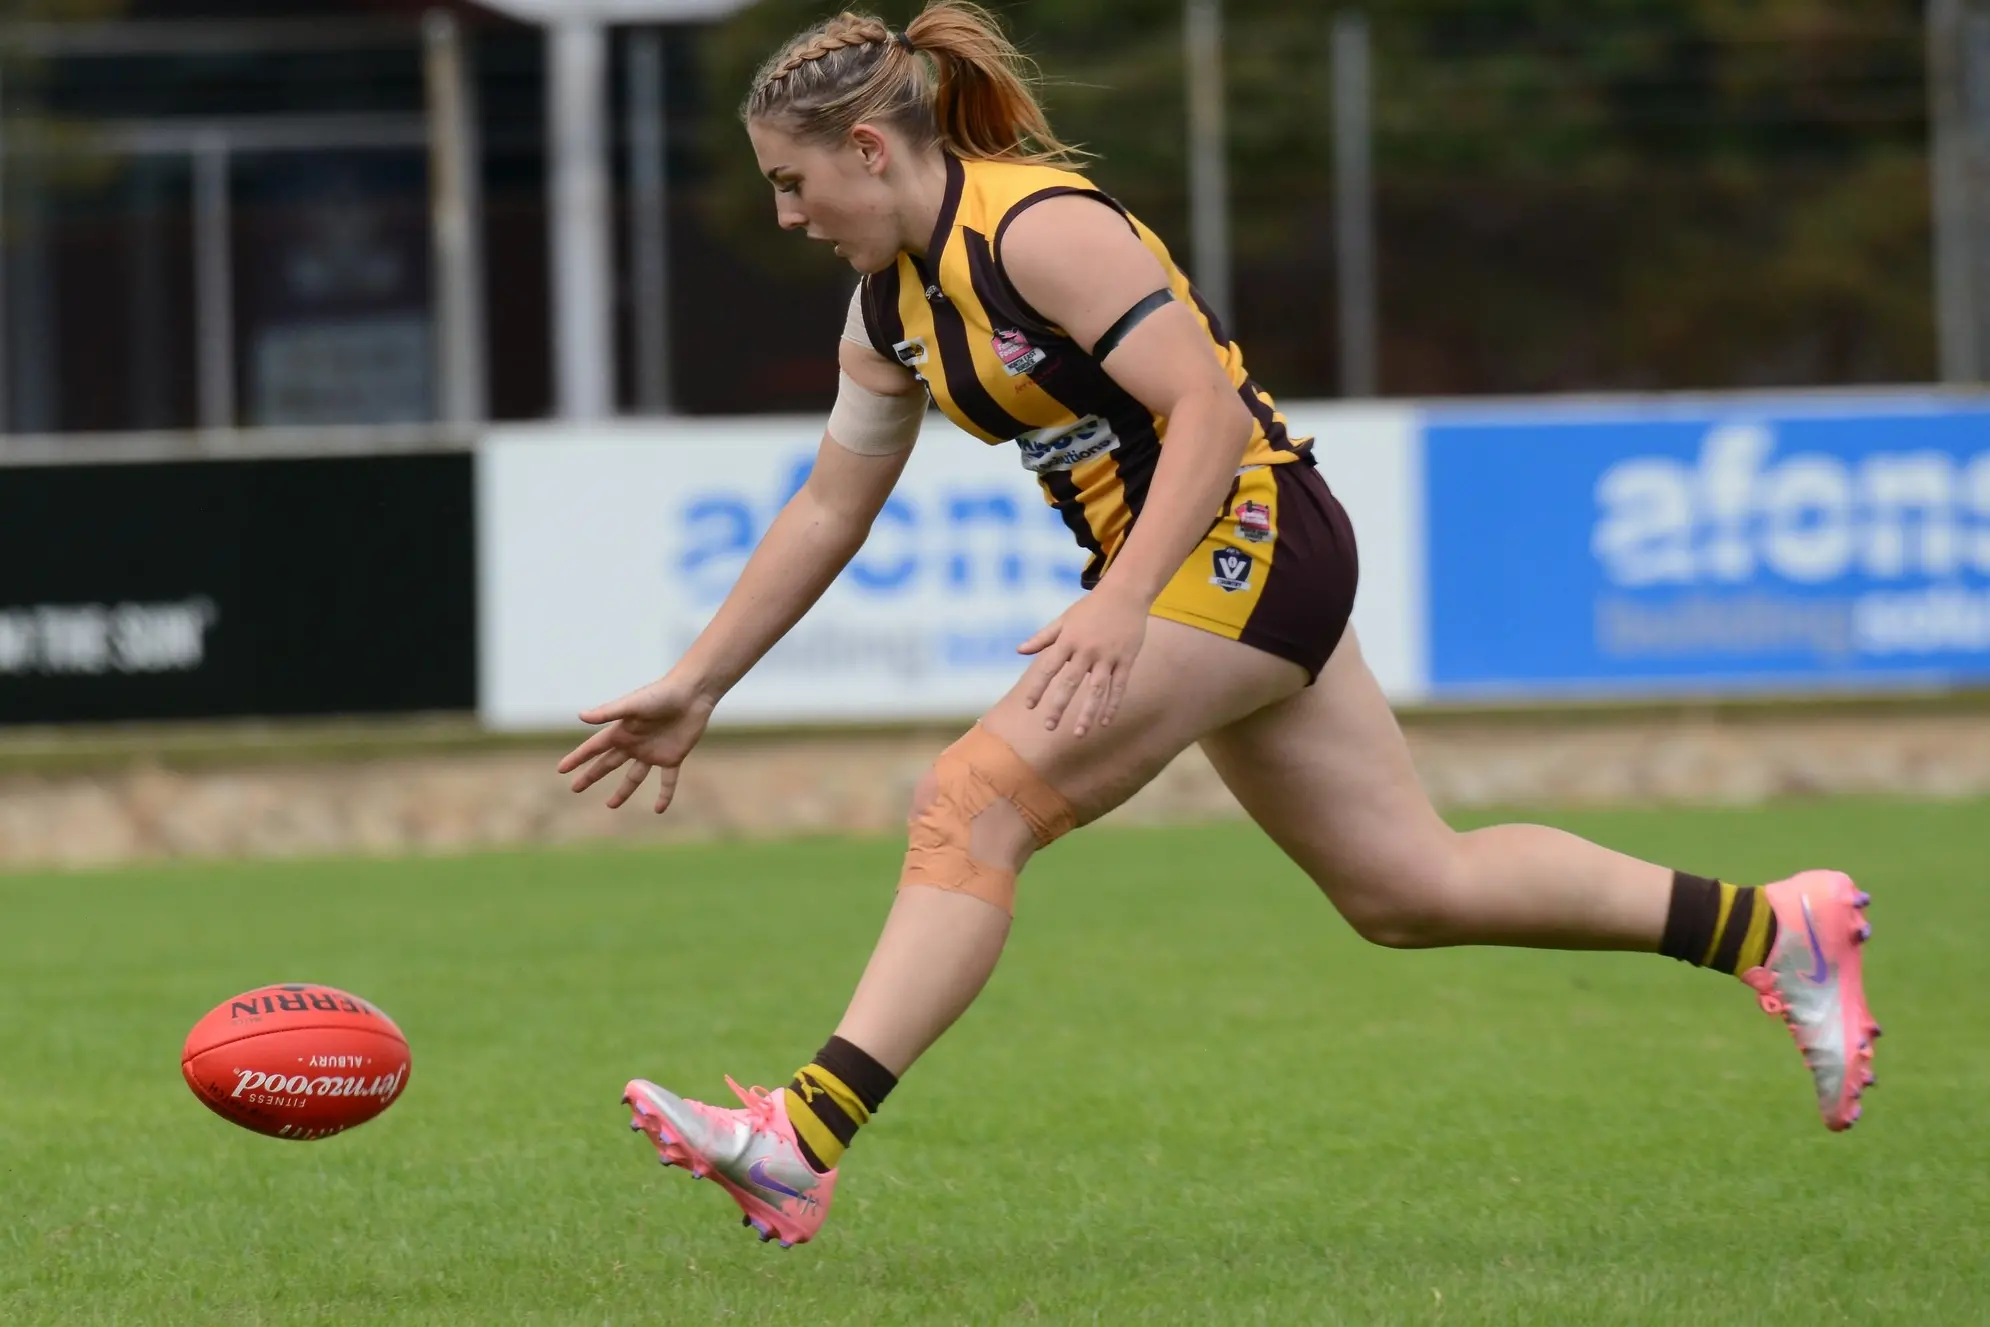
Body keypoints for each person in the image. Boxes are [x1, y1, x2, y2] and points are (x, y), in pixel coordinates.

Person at [556, 2, 1879, 1250]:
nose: (787, 215)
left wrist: (1120, 598)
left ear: (864, 147)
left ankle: (802, 1134)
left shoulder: (1039, 228)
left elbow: (1205, 412)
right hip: (1201, 573)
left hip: (1250, 539)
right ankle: (1769, 926)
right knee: (1407, 889)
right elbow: (826, 510)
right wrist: (696, 683)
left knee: (974, 802)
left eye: (794, 184)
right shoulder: (882, 313)